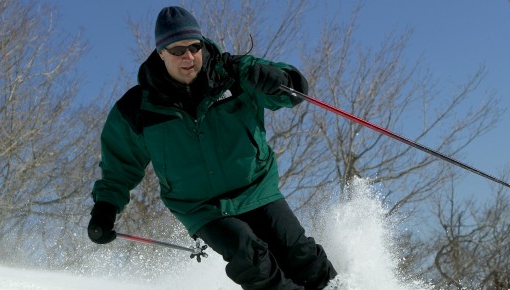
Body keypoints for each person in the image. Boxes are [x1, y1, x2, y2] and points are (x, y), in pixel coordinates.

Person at [87, 6, 337, 290]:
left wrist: (278, 80)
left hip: (255, 187)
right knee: (250, 256)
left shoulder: (234, 74)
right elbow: (119, 168)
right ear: (161, 53)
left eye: (195, 46)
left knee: (299, 253)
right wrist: (105, 209)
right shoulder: (138, 108)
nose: (189, 56)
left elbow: (292, 91)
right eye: (178, 50)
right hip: (200, 206)